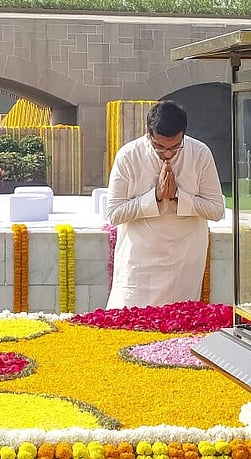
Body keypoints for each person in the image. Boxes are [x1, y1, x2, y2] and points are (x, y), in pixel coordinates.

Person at [104, 100, 225, 309]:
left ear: (184, 135)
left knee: (179, 325)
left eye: (175, 147)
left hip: (185, 258)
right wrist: (155, 198)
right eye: (159, 147)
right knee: (130, 323)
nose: (167, 154)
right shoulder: (129, 155)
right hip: (139, 259)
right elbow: (114, 213)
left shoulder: (199, 153)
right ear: (148, 134)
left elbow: (216, 210)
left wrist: (179, 196)